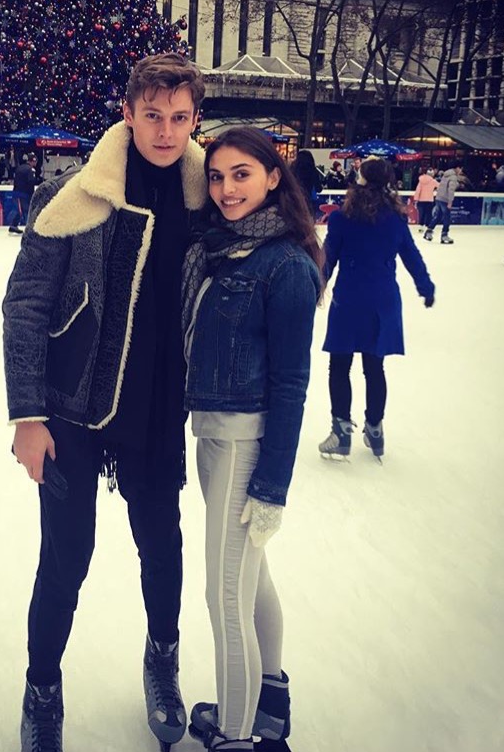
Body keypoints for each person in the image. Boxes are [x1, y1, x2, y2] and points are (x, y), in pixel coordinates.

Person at [2, 52, 207, 752]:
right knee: (66, 558)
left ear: (195, 120)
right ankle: (42, 688)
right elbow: (25, 305)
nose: (165, 131)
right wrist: (27, 414)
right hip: (71, 409)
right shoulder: (74, 195)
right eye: (153, 115)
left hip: (158, 409)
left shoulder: (207, 198)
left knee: (162, 547)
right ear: (128, 113)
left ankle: (163, 658)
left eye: (179, 117)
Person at [181, 128, 322, 751]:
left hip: (244, 445)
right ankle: (269, 703)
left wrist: (271, 487)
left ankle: (236, 736)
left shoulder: (285, 265)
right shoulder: (220, 248)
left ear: (272, 177)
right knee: (251, 578)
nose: (227, 189)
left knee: (226, 597)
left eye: (242, 174)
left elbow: (292, 384)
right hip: (213, 435)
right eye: (217, 176)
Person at [318, 157, 435, 461]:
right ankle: (375, 429)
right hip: (382, 301)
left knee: (339, 366)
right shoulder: (395, 219)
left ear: (360, 180)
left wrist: (314, 286)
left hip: (349, 300)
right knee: (374, 367)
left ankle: (341, 432)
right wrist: (425, 286)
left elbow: (327, 259)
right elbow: (411, 256)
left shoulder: (342, 217)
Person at [423, 160, 462, 245]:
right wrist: (450, 201)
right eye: (460, 169)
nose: (460, 171)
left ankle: (428, 232)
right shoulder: (453, 177)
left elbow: (441, 186)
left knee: (438, 216)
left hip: (439, 198)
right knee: (447, 218)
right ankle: (444, 235)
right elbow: (451, 190)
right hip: (445, 199)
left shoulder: (445, 175)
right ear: (457, 168)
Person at [9, 152, 39, 235]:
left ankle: (14, 225)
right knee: (25, 210)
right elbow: (31, 182)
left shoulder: (20, 167)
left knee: (21, 210)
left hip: (17, 192)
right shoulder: (31, 170)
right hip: (24, 193)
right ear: (33, 161)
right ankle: (29, 228)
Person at [412, 167, 437, 232]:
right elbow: (440, 187)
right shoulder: (433, 181)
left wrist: (416, 199)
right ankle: (428, 227)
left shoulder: (421, 181)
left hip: (421, 201)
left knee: (421, 214)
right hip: (429, 200)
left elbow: (418, 191)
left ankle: (421, 227)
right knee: (429, 214)